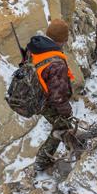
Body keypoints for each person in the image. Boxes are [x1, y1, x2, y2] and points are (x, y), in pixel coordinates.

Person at [27, 19, 75, 172]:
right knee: (63, 126)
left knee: (63, 126)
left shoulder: (36, 47)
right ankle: (42, 161)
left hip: (36, 95)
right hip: (46, 101)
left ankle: (71, 147)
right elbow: (58, 96)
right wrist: (68, 112)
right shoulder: (56, 63)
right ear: (62, 40)